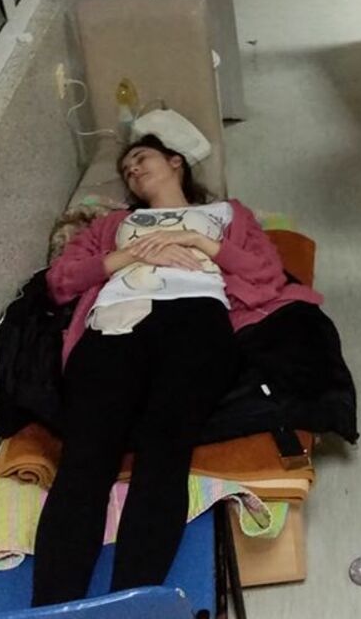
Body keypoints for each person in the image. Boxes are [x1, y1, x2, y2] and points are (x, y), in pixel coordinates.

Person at [32, 134, 326, 606]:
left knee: (164, 451)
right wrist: (133, 254)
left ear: (175, 162)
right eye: (126, 169)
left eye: (140, 158)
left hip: (196, 321)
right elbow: (61, 280)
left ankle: (133, 607)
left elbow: (266, 273)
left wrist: (198, 241)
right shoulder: (115, 224)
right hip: (116, 322)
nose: (133, 170)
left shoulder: (226, 215)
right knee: (85, 459)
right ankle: (54, 610)